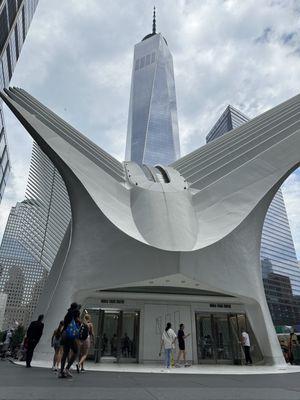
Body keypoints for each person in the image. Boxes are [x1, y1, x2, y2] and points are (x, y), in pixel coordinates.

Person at [59, 303, 81, 378]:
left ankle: (62, 371)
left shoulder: (68, 313)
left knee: (65, 353)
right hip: (70, 335)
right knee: (75, 351)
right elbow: (77, 321)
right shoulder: (75, 313)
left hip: (65, 334)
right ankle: (67, 369)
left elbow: (65, 324)